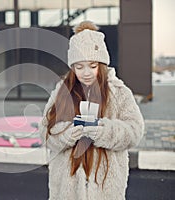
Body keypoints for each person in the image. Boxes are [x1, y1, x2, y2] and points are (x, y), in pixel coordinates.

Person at [39, 21, 144, 199]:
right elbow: (44, 132)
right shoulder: (62, 91)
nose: (86, 72)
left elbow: (135, 131)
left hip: (106, 190)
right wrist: (67, 134)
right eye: (79, 67)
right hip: (66, 190)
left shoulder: (118, 91)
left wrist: (103, 131)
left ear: (102, 65)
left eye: (92, 66)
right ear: (72, 67)